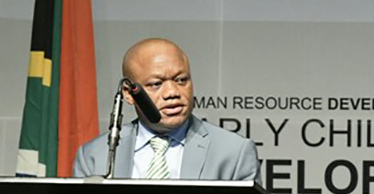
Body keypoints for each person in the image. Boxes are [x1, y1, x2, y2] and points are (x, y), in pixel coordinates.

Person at [73, 38, 261, 182]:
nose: (172, 92)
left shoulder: (233, 153)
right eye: (156, 84)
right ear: (128, 94)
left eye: (181, 80)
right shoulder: (95, 155)